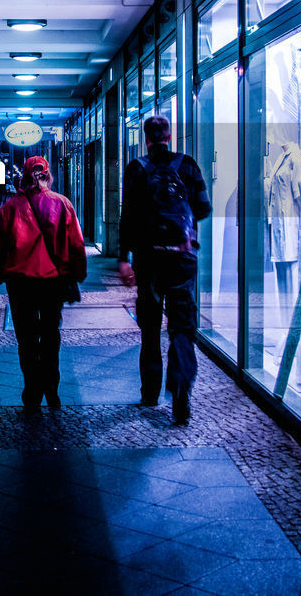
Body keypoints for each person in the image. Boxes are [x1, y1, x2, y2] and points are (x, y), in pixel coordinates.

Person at [118, 116, 212, 424]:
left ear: (146, 138)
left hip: (148, 261)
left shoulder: (137, 168)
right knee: (182, 328)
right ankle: (181, 388)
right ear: (169, 136)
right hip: (182, 260)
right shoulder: (188, 165)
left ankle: (150, 392)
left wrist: (124, 259)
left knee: (149, 330)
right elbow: (203, 208)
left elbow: (128, 217)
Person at [0, 156, 87, 414]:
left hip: (20, 283)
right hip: (53, 282)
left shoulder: (9, 208)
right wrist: (77, 274)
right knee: (51, 334)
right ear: (47, 175)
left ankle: (32, 392)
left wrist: (1, 274)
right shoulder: (62, 204)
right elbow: (77, 245)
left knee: (27, 338)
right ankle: (52, 390)